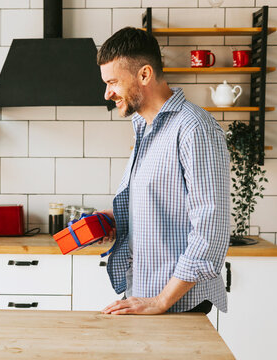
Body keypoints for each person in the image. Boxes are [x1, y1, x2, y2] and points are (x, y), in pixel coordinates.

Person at [95, 27, 230, 315]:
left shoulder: (195, 128)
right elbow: (162, 202)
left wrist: (161, 300)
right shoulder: (145, 126)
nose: (108, 93)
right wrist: (117, 219)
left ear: (144, 75)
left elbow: (211, 229)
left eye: (113, 82)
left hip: (177, 303)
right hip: (144, 292)